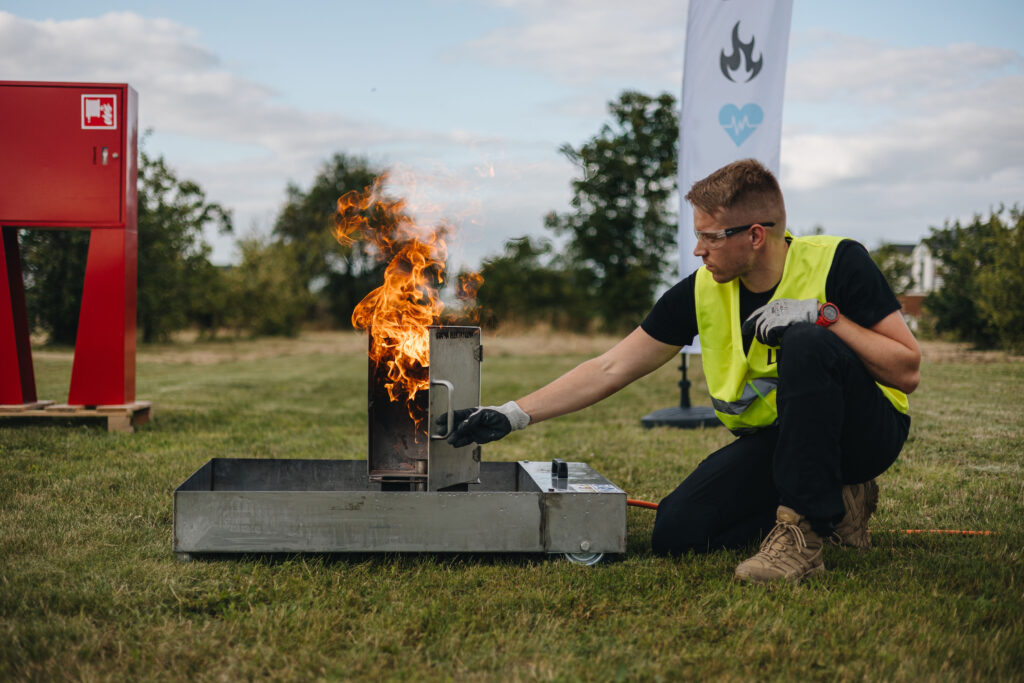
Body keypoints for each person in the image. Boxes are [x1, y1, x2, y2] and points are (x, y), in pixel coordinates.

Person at [444, 158, 920, 583]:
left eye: (710, 237)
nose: (698, 250)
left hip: (863, 435)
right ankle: (838, 503)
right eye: (698, 236)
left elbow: (906, 371)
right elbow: (612, 367)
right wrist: (512, 414)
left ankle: (803, 536)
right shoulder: (703, 290)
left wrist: (823, 316)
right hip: (786, 440)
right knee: (678, 531)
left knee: (807, 340)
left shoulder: (839, 262)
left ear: (755, 235)